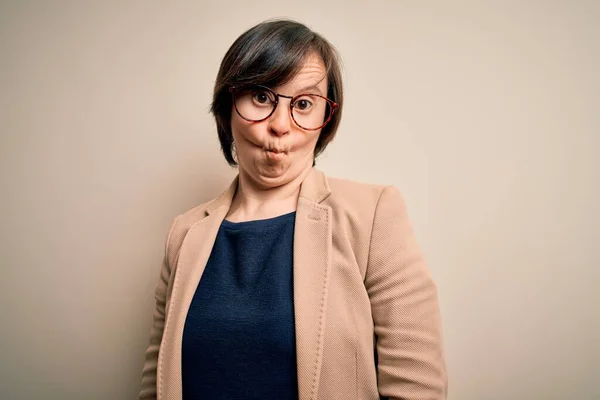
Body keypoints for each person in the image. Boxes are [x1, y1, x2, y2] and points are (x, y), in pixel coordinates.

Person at [139, 19, 447, 400]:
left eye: (303, 104)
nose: (280, 125)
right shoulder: (185, 234)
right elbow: (157, 383)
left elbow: (417, 386)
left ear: (325, 119)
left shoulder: (373, 215)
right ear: (227, 104)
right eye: (262, 97)